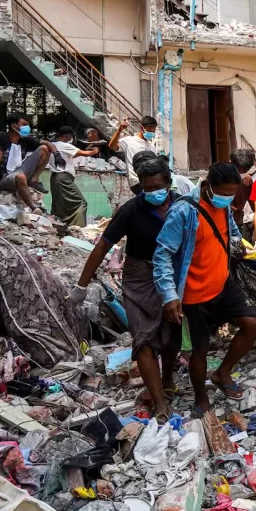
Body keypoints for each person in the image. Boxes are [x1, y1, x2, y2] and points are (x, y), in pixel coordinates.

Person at [70, 156, 181, 418]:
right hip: (139, 277)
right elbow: (102, 246)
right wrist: (81, 285)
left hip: (174, 276)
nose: (153, 192)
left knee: (171, 334)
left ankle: (167, 378)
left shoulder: (181, 206)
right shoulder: (131, 210)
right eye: (147, 188)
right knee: (143, 339)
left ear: (168, 183)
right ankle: (160, 404)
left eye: (158, 187)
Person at [154, 162, 256, 414]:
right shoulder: (183, 211)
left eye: (231, 194)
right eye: (223, 193)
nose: (226, 199)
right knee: (200, 350)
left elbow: (230, 230)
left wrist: (240, 244)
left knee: (252, 324)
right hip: (194, 294)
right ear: (208, 186)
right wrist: (169, 295)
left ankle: (223, 373)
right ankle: (201, 397)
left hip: (223, 283)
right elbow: (163, 255)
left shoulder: (222, 207)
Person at [0, 113, 56, 212]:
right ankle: (34, 207)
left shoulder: (25, 140)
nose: (27, 127)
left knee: (44, 149)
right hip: (3, 178)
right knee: (20, 177)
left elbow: (48, 143)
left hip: (18, 171)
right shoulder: (0, 137)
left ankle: (33, 181)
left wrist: (57, 155)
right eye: (24, 124)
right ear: (14, 126)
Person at [50, 126, 99, 226]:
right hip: (63, 178)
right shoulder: (64, 145)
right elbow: (85, 153)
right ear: (67, 135)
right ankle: (77, 229)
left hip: (55, 178)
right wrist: (95, 151)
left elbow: (72, 155)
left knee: (59, 206)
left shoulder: (53, 145)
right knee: (81, 203)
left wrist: (86, 150)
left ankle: (59, 226)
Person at [108, 117, 159, 194]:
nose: (152, 132)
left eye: (153, 131)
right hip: (136, 181)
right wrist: (119, 130)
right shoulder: (129, 141)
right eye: (150, 130)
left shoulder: (151, 146)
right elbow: (112, 146)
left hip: (150, 180)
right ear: (142, 127)